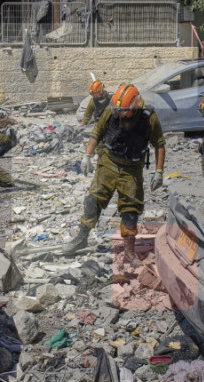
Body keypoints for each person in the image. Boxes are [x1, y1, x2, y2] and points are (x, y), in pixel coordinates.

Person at [64, 84, 166, 263]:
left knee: (131, 209)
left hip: (132, 168)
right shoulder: (111, 112)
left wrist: (159, 172)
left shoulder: (149, 118)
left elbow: (159, 144)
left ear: (133, 107)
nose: (119, 114)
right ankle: (81, 238)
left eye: (123, 111)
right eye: (117, 110)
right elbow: (97, 132)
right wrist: (87, 156)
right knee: (93, 200)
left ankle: (129, 251)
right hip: (108, 162)